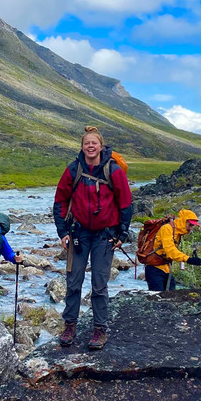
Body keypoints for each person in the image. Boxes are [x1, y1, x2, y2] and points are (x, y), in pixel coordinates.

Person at [53, 125, 132, 350]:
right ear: (82, 146)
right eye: (86, 143)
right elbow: (60, 200)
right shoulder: (73, 169)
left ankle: (100, 330)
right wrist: (63, 232)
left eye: (94, 143)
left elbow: (126, 203)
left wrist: (122, 233)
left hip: (105, 235)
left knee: (99, 285)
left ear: (100, 145)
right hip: (78, 233)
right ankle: (69, 326)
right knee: (73, 282)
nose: (90, 146)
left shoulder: (113, 170)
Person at [145, 208, 201, 292]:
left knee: (170, 295)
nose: (191, 228)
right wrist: (188, 259)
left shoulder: (178, 232)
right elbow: (170, 250)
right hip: (154, 269)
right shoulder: (167, 229)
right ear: (184, 221)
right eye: (190, 225)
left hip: (166, 268)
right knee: (157, 299)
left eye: (192, 226)